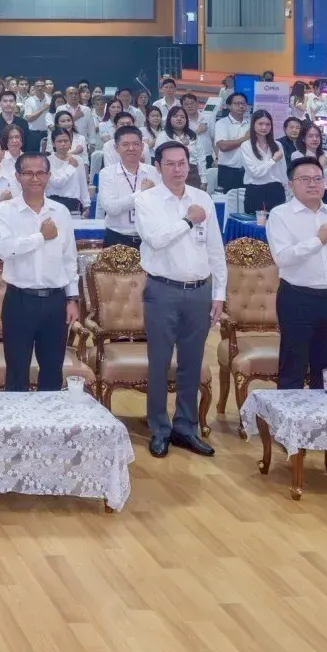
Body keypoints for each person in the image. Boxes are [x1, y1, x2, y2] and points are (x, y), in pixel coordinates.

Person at [135, 141, 225, 459]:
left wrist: (219, 294)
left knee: (191, 362)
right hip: (162, 290)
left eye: (182, 163)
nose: (177, 169)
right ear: (158, 166)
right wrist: (188, 221)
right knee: (159, 363)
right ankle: (159, 429)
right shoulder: (146, 200)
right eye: (170, 164)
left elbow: (215, 249)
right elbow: (155, 239)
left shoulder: (202, 199)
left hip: (199, 292)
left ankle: (185, 427)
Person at [268, 158, 327, 391]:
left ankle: (324, 415)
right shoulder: (280, 215)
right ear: (291, 184)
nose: (313, 184)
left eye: (318, 178)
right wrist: (318, 240)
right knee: (293, 372)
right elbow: (283, 258)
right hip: (298, 300)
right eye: (305, 179)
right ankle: (289, 416)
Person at [0, 154, 80, 392]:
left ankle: (49, 418)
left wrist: (72, 298)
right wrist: (41, 237)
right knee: (17, 371)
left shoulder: (61, 212)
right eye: (28, 173)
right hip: (20, 300)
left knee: (52, 371)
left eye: (40, 173)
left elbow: (69, 258)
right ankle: (17, 417)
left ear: (48, 176)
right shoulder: (4, 210)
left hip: (55, 301)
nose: (35, 178)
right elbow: (5, 250)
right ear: (18, 176)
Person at [241, 109, 287, 215]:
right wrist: (273, 160)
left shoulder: (278, 145)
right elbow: (255, 172)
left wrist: (287, 191)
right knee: (255, 224)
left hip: (277, 191)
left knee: (277, 222)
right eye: (260, 124)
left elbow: (283, 171)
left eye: (267, 124)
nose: (264, 127)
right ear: (253, 125)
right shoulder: (246, 146)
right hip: (255, 192)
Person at [211, 92, 250, 194]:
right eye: (237, 103)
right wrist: (245, 138)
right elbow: (223, 146)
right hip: (228, 171)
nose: (241, 106)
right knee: (227, 200)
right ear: (229, 106)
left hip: (248, 171)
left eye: (243, 103)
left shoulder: (250, 124)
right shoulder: (222, 123)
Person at [44, 128, 88, 214]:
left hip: (73, 203)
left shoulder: (77, 159)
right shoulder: (47, 161)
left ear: (70, 141)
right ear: (53, 143)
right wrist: (71, 167)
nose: (63, 144)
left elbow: (82, 183)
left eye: (66, 141)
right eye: (59, 141)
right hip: (53, 203)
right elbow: (57, 183)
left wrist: (86, 205)